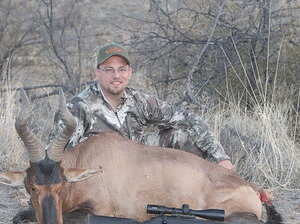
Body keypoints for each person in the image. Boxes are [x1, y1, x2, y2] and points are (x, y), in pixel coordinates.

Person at [50, 43, 234, 170]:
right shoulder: (77, 107)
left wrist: (221, 157)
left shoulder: (140, 101)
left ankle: (191, 189)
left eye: (122, 69)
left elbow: (190, 119)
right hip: (99, 175)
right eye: (109, 70)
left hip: (139, 167)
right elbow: (59, 158)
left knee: (184, 136)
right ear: (97, 73)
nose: (116, 75)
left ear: (129, 73)